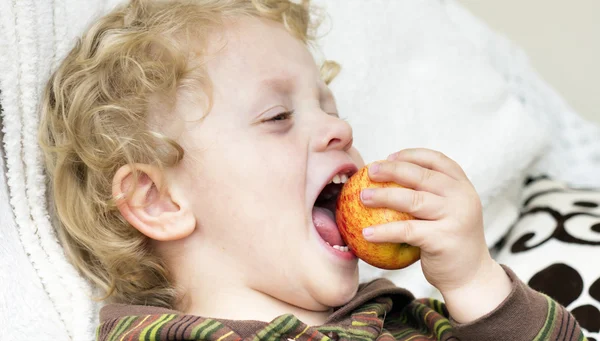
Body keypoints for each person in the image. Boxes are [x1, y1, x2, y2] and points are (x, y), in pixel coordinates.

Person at [39, 0, 585, 340]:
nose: (341, 130)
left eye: (330, 108)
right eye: (278, 116)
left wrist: (474, 281)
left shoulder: (412, 316)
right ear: (158, 199)